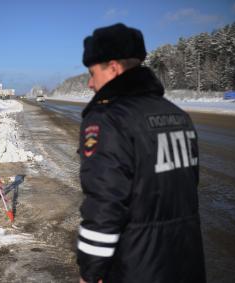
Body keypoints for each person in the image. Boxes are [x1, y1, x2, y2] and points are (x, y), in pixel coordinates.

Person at [76, 23, 206, 283]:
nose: (90, 84)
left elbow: (104, 205)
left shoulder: (108, 119)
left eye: (92, 73)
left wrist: (90, 272)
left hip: (134, 267)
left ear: (113, 68)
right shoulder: (178, 115)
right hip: (186, 263)